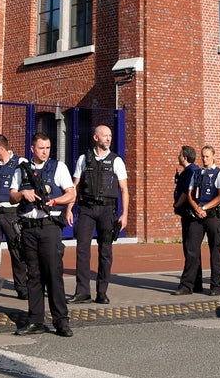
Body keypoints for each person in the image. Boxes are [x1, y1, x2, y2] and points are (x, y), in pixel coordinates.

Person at [10, 132, 76, 337]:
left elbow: (71, 193)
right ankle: (35, 320)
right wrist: (23, 194)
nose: (45, 151)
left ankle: (61, 321)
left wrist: (56, 201)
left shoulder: (59, 167)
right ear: (32, 149)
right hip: (28, 228)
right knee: (34, 276)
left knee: (53, 274)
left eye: (47, 148)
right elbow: (12, 196)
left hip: (49, 227)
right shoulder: (22, 169)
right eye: (41, 148)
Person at [66, 125, 128, 305]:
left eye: (110, 135)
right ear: (95, 138)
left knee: (106, 251)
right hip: (86, 209)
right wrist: (69, 208)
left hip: (107, 210)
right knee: (82, 249)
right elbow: (74, 187)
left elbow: (124, 189)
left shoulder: (116, 161)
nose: (108, 139)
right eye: (105, 136)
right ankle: (82, 292)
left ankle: (102, 292)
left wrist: (124, 215)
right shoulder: (84, 159)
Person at [175, 145, 220, 295]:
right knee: (192, 249)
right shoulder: (196, 173)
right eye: (203, 156)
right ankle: (187, 285)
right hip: (197, 215)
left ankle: (216, 286)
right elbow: (190, 193)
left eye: (207, 156)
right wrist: (197, 208)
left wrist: (204, 208)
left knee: (215, 251)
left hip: (213, 216)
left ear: (213, 157)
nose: (205, 159)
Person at [0, 133, 28, 300]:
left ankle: (22, 288)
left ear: (1, 149)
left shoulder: (20, 163)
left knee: (17, 251)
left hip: (12, 214)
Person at [173, 146, 202, 294]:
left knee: (190, 249)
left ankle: (186, 285)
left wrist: (177, 204)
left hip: (191, 215)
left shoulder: (190, 171)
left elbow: (186, 191)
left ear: (184, 157)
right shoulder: (193, 171)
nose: (178, 157)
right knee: (193, 249)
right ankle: (197, 282)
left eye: (180, 155)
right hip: (189, 215)